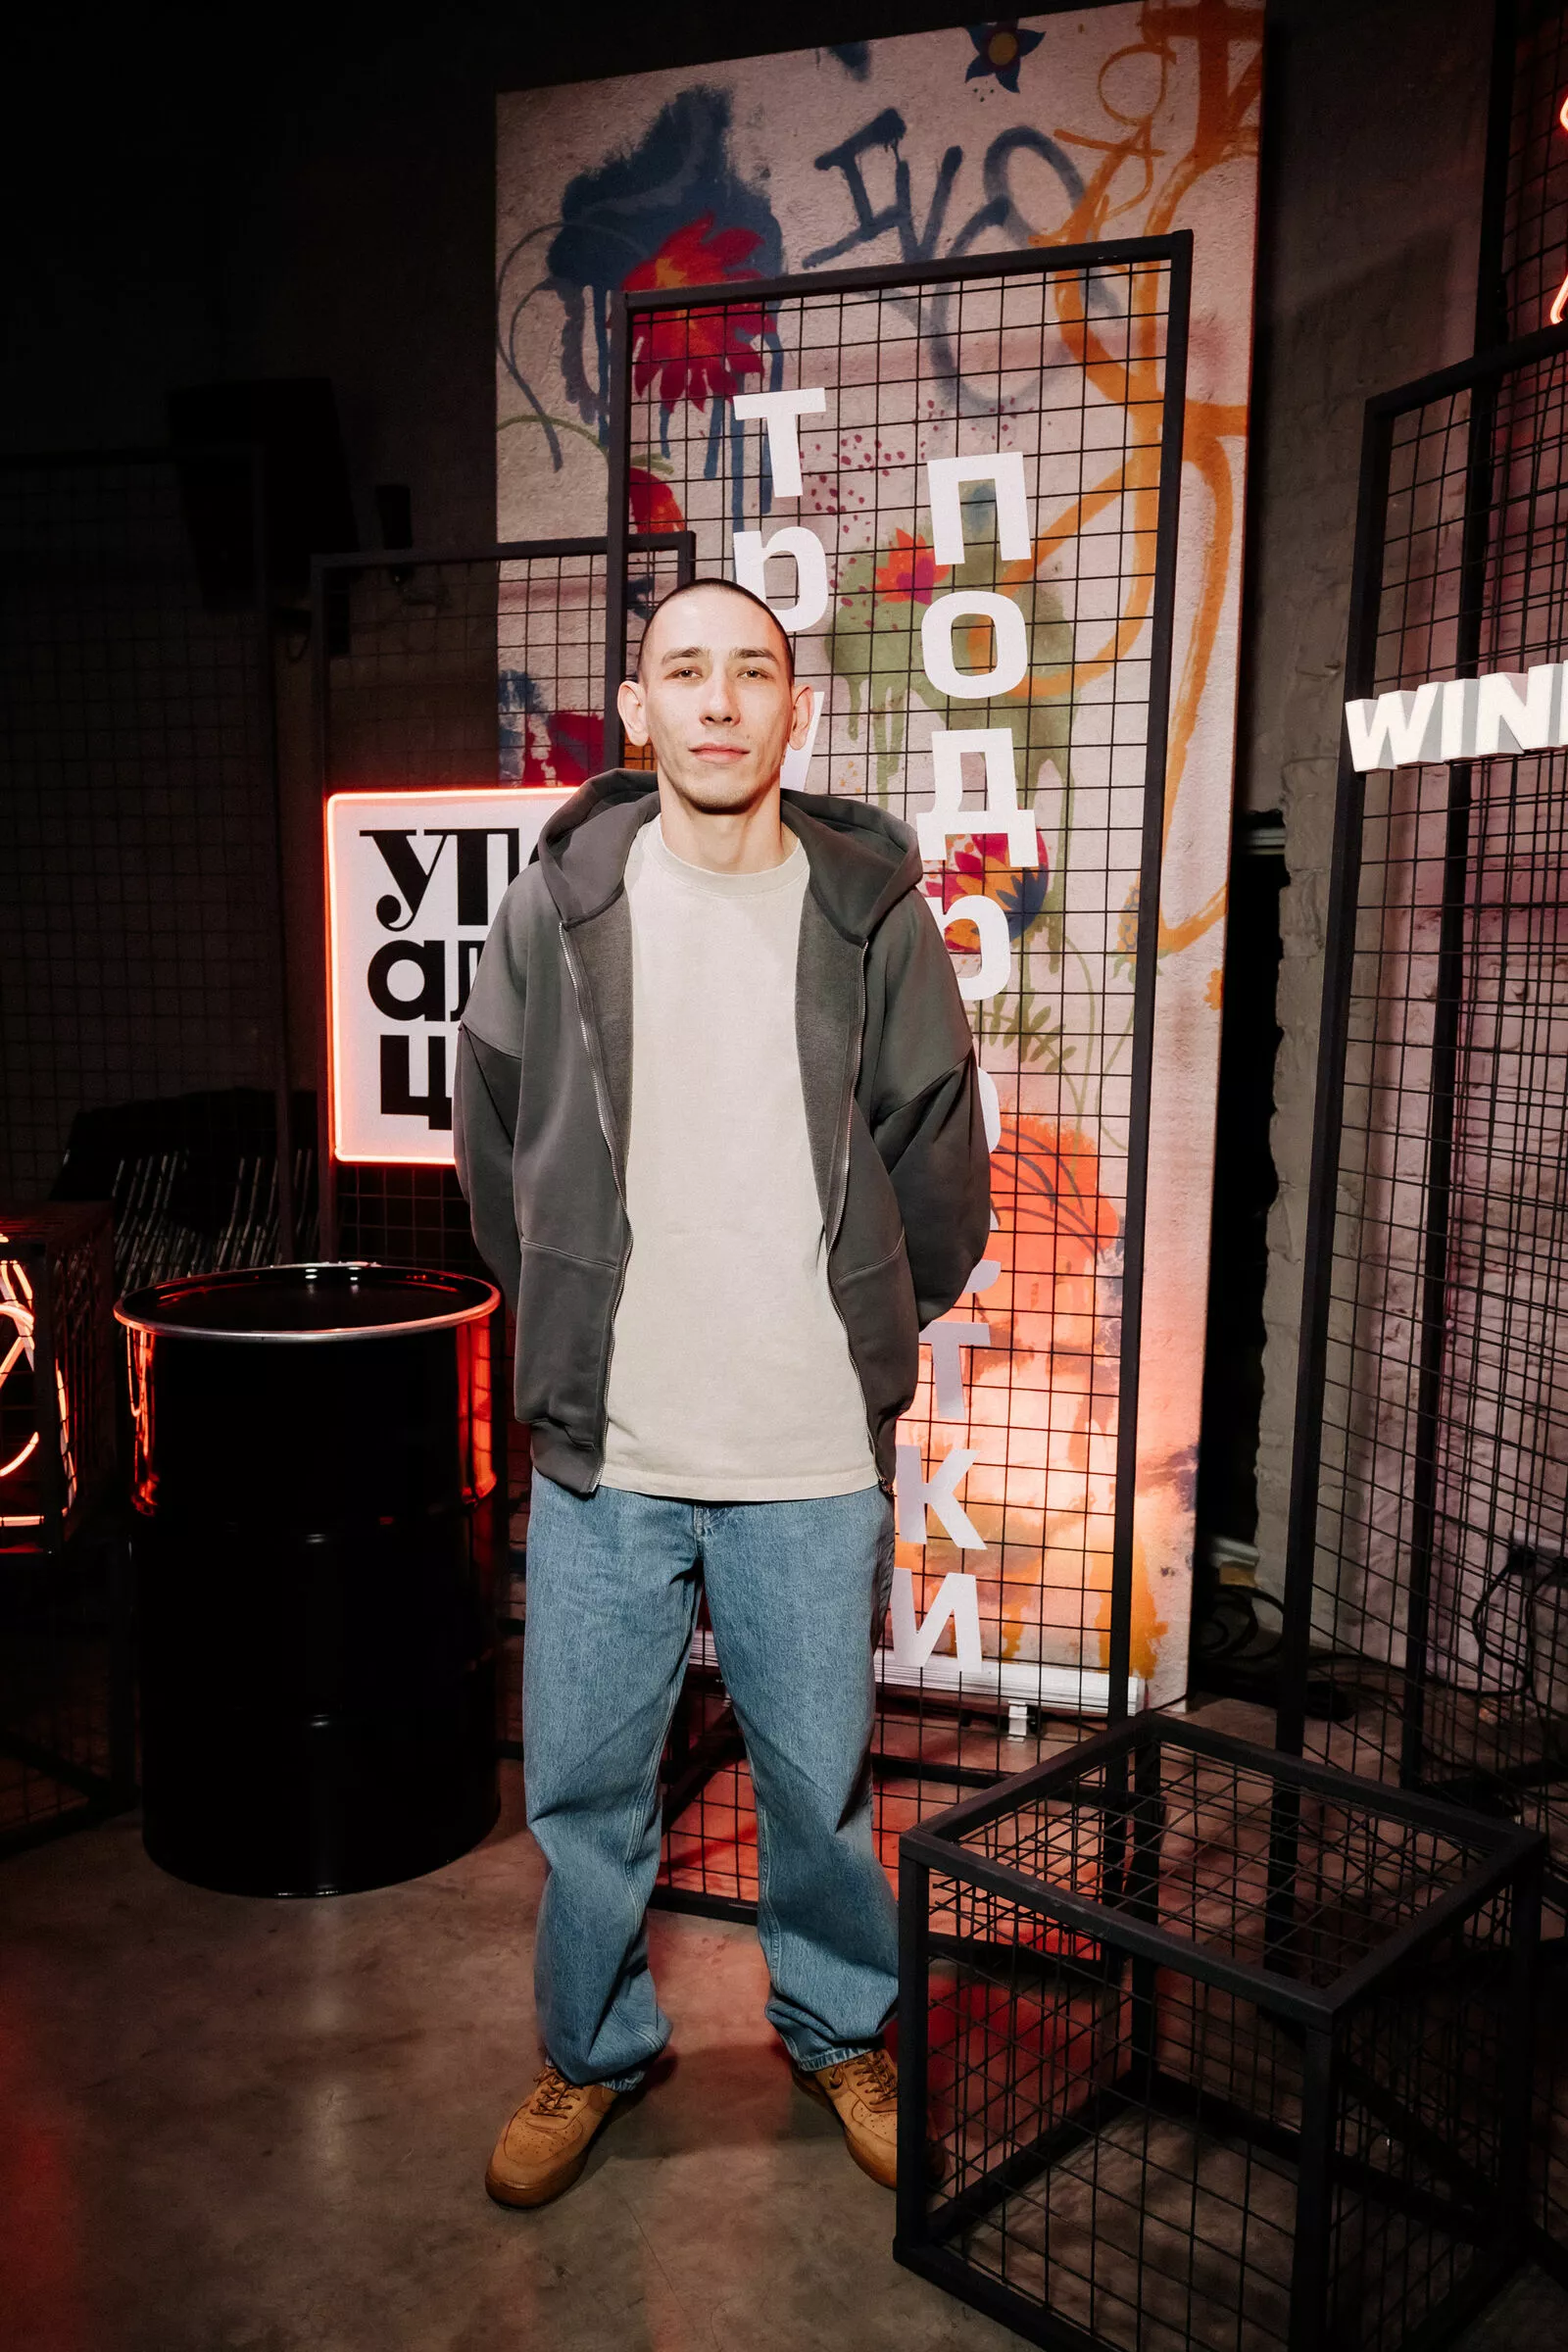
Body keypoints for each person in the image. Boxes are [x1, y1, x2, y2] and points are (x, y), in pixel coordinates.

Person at [455, 576, 991, 2208]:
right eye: (683, 670)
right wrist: (564, 1315)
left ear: (793, 711)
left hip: (808, 1449)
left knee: (817, 1789)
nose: (716, 700)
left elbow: (937, 1155)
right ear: (638, 709)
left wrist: (864, 1320)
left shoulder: (870, 913)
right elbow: (493, 1135)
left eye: (750, 671)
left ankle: (839, 2033)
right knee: (584, 1792)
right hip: (606, 1452)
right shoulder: (560, 905)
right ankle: (591, 2052)